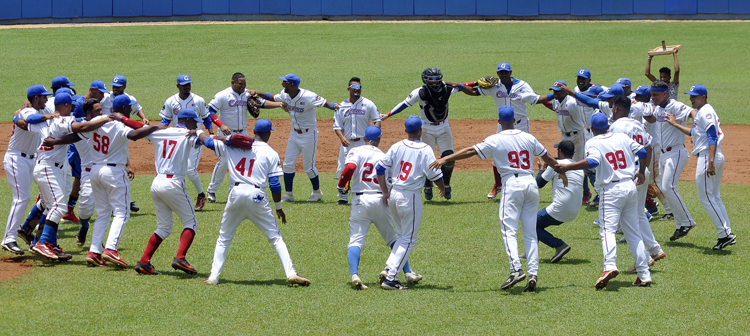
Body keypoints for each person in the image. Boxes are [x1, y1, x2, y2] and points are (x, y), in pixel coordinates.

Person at [432, 107, 560, 292]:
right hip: (531, 184)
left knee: (508, 229)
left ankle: (516, 269)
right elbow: (547, 156)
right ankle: (533, 273)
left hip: (512, 185)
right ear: (515, 120)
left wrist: (446, 159)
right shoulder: (527, 137)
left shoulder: (496, 139)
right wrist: (559, 170)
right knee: (530, 232)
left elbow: (471, 150)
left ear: (499, 122)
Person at [200, 119, 311, 286]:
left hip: (235, 194)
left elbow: (208, 142)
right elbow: (274, 184)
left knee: (224, 238)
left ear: (254, 132)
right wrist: (278, 208)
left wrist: (197, 132)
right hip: (257, 196)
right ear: (268, 134)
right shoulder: (271, 153)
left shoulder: (234, 145)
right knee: (275, 238)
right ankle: (291, 273)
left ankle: (213, 277)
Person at [555, 113, 652, 288]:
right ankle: (644, 274)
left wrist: (568, 166)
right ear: (608, 126)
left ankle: (609, 266)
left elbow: (592, 162)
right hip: (630, 187)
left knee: (607, 230)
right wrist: (641, 171)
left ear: (591, 129)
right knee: (633, 232)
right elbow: (643, 151)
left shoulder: (593, 142)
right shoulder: (622, 136)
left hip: (611, 190)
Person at [23, 92, 115, 260]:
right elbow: (83, 128)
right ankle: (42, 243)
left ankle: (46, 241)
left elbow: (27, 122)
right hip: (48, 168)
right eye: (71, 105)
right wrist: (108, 119)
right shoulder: (60, 120)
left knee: (50, 205)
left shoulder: (47, 121)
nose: (73, 107)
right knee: (58, 207)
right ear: (65, 105)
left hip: (48, 167)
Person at [83, 95, 165, 267]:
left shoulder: (97, 120)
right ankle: (111, 249)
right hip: (113, 172)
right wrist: (153, 128)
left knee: (103, 213)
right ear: (124, 109)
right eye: (129, 108)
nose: (131, 110)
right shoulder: (118, 124)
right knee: (122, 212)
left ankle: (94, 251)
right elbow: (135, 134)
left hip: (95, 169)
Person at [337, 126, 420, 289]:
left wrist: (341, 184)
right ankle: (408, 271)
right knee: (394, 239)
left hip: (360, 201)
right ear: (379, 139)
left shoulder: (357, 150)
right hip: (380, 199)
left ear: (364, 138)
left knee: (356, 240)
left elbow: (350, 168)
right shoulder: (384, 156)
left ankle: (355, 274)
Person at [455, 62, 549, 199]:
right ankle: (498, 184)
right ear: (498, 73)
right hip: (503, 125)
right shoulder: (495, 86)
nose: (503, 74)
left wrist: (554, 98)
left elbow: (536, 98)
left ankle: (527, 181)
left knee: (524, 153)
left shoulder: (522, 85)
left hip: (521, 125)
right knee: (496, 154)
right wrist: (463, 86)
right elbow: (474, 92)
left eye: (506, 72)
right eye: (501, 72)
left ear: (510, 72)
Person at [376, 116, 445, 290]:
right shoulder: (425, 149)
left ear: (406, 130)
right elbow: (435, 175)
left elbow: (380, 168)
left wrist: (385, 191)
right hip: (410, 198)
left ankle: (388, 269)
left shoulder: (397, 146)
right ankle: (391, 279)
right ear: (421, 130)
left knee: (401, 236)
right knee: (409, 239)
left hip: (394, 195)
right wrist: (443, 189)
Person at [665, 85, 735, 250]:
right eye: (690, 96)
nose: (691, 99)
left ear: (703, 97)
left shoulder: (706, 112)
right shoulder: (703, 112)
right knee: (715, 197)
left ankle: (725, 234)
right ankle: (726, 233)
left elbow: (712, 136)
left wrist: (710, 162)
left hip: (708, 157)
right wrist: (675, 124)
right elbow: (694, 133)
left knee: (706, 198)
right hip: (711, 155)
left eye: (694, 96)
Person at [135, 109, 204, 276]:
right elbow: (205, 141)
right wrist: (199, 132)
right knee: (191, 222)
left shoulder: (161, 132)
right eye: (194, 121)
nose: (195, 124)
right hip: (173, 184)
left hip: (156, 183)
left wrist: (155, 126)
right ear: (187, 120)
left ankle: (144, 261)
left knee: (164, 227)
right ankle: (180, 257)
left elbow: (143, 132)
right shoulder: (187, 134)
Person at [250, 74, 339, 202]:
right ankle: (289, 194)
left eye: (284, 82)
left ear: (291, 85)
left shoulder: (308, 96)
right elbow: (273, 97)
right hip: (294, 134)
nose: (282, 84)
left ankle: (317, 192)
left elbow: (325, 103)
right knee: (287, 164)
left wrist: (335, 106)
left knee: (308, 167)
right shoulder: (285, 94)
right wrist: (257, 93)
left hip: (309, 134)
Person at [380, 68, 460, 200]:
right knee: (427, 158)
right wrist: (388, 114)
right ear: (425, 79)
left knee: (449, 157)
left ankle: (446, 184)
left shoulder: (447, 88)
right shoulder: (419, 92)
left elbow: (463, 86)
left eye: (436, 78)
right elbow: (404, 104)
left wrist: (477, 83)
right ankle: (427, 185)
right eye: (431, 79)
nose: (434, 82)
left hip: (444, 126)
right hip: (426, 128)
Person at [607, 96, 666, 272]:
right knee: (639, 213)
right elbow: (647, 147)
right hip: (641, 170)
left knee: (628, 219)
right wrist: (644, 171)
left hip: (630, 174)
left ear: (616, 109)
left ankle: (645, 258)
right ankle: (654, 249)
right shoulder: (636, 124)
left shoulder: (616, 127)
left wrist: (638, 173)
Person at [205, 72, 285, 203]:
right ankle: (212, 190)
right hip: (226, 133)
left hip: (243, 133)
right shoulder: (222, 95)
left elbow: (262, 103)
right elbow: (211, 111)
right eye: (241, 83)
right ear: (233, 83)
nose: (243, 86)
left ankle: (232, 192)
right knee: (224, 162)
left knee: (241, 159)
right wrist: (221, 125)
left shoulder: (247, 94)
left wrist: (279, 104)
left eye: (245, 83)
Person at [1, 85, 56, 255]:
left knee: (48, 198)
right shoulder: (26, 112)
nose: (46, 100)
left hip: (33, 160)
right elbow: (29, 120)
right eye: (43, 97)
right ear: (35, 97)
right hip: (17, 159)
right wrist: (50, 115)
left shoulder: (42, 108)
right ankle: (8, 239)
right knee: (21, 198)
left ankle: (28, 233)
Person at [643, 81, 696, 239]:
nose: (653, 97)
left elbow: (693, 112)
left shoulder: (675, 106)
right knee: (665, 188)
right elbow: (653, 119)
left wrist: (696, 129)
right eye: (651, 95)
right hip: (664, 154)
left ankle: (687, 221)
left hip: (676, 152)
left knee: (668, 187)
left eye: (656, 95)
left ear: (665, 94)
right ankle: (681, 225)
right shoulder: (659, 108)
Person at [158, 74, 212, 211]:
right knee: (177, 168)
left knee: (189, 169)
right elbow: (165, 121)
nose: (187, 86)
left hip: (195, 138)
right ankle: (176, 197)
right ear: (178, 86)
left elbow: (206, 118)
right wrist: (159, 132)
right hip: (179, 139)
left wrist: (209, 133)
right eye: (184, 84)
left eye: (188, 84)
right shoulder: (171, 101)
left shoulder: (198, 100)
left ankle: (201, 195)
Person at [99, 75, 149, 213]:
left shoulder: (129, 98)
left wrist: (144, 118)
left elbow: (137, 107)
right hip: (107, 132)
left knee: (117, 157)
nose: (115, 89)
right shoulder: (105, 97)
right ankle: (122, 200)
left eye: (118, 87)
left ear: (124, 87)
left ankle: (124, 199)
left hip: (121, 132)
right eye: (113, 86)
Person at [333, 77, 381, 205]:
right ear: (349, 89)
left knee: (362, 168)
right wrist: (342, 138)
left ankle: (362, 193)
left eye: (359, 88)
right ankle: (342, 197)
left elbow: (377, 119)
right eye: (354, 88)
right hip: (347, 142)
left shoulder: (368, 104)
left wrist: (374, 135)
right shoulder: (341, 106)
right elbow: (337, 126)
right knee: (342, 168)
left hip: (363, 142)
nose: (357, 90)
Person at [533, 140, 583, 263]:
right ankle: (531, 251)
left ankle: (559, 245)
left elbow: (538, 184)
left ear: (560, 151)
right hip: (575, 210)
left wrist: (541, 169)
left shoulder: (557, 164)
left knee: (530, 223)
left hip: (561, 208)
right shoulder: (579, 168)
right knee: (536, 224)